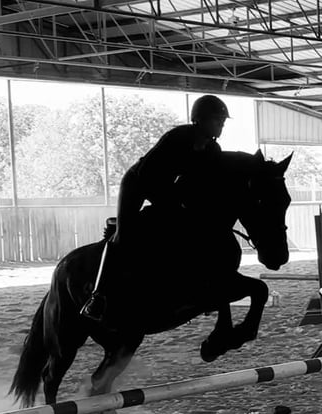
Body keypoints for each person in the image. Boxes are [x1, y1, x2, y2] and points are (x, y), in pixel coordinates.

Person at [80, 94, 231, 323]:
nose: (221, 125)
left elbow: (203, 182)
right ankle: (97, 297)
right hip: (138, 183)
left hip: (169, 188)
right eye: (217, 120)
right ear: (200, 120)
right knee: (124, 235)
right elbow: (148, 175)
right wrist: (170, 202)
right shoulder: (177, 137)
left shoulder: (213, 149)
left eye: (222, 120)